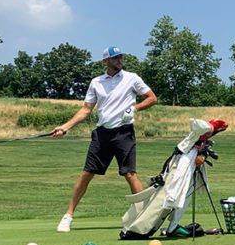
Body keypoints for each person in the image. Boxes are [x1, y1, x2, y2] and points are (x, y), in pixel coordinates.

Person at [51, 45, 158, 232]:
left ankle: (144, 216)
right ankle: (68, 216)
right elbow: (86, 110)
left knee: (129, 173)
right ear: (105, 61)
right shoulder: (96, 82)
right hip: (102, 133)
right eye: (115, 58)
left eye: (120, 57)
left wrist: (134, 108)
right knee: (87, 174)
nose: (119, 61)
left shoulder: (131, 78)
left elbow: (151, 98)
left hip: (124, 132)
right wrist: (65, 127)